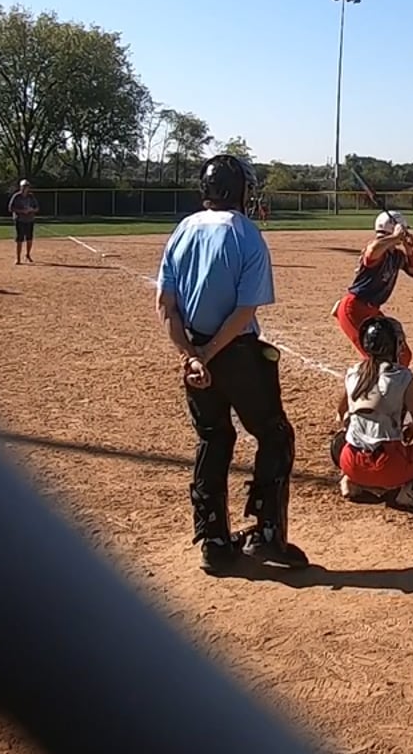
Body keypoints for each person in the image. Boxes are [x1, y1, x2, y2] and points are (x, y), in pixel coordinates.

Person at [156, 154, 306, 574]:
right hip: (236, 353)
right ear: (239, 190)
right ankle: (268, 534)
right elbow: (244, 312)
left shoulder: (183, 230)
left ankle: (214, 541)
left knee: (213, 438)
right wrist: (208, 355)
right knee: (274, 434)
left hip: (195, 353)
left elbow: (165, 305)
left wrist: (191, 356)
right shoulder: (245, 233)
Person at [330, 316, 413, 511]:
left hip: (351, 462)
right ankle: (412, 490)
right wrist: (406, 432)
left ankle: (352, 480)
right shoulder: (402, 376)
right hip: (388, 465)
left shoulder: (353, 372)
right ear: (394, 346)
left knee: (340, 440)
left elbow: (341, 414)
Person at [332, 211, 413, 366]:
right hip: (354, 308)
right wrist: (395, 237)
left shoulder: (396, 255)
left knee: (402, 355)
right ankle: (368, 382)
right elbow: (372, 251)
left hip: (372, 310)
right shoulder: (376, 249)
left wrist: (409, 249)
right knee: (378, 358)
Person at [9, 179, 39, 265]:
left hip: (30, 220)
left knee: (29, 239)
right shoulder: (16, 196)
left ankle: (28, 254)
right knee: (19, 239)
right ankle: (18, 258)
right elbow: (10, 208)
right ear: (20, 187)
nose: (25, 188)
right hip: (19, 220)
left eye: (27, 186)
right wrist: (22, 211)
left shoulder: (31, 197)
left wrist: (31, 210)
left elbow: (37, 208)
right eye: (24, 186)